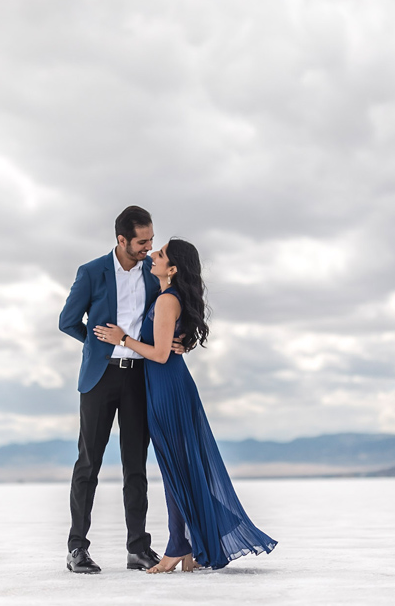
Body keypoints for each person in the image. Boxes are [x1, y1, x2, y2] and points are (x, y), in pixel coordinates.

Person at [94, 238, 277, 571]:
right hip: (168, 386)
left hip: (168, 390)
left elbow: (160, 354)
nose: (153, 255)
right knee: (177, 468)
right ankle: (188, 548)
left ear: (173, 269)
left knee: (176, 468)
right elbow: (168, 345)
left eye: (160, 254)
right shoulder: (167, 296)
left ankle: (178, 547)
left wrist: (121, 338)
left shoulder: (167, 299)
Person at [59, 206, 178, 574]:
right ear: (121, 240)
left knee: (135, 467)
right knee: (88, 464)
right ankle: (77, 549)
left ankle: (137, 549)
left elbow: (169, 310)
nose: (149, 247)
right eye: (142, 242)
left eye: (151, 240)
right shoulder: (92, 272)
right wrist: (100, 346)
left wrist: (180, 338)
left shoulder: (151, 275)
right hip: (100, 377)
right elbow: (67, 321)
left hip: (138, 377)